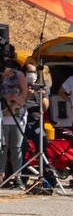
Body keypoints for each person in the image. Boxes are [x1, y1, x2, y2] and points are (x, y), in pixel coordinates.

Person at [2, 57, 28, 185]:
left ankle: (17, 176)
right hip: (2, 115)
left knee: (16, 147)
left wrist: (11, 103)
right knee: (2, 147)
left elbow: (23, 95)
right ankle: (1, 175)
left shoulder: (19, 75)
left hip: (17, 114)